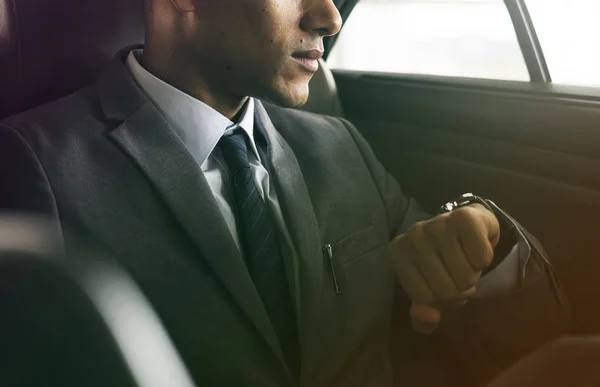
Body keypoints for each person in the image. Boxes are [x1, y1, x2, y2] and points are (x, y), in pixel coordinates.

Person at [0, 0, 575, 386]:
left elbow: (465, 308)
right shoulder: (33, 164)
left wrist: (483, 235)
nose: (330, 16)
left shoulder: (340, 144)